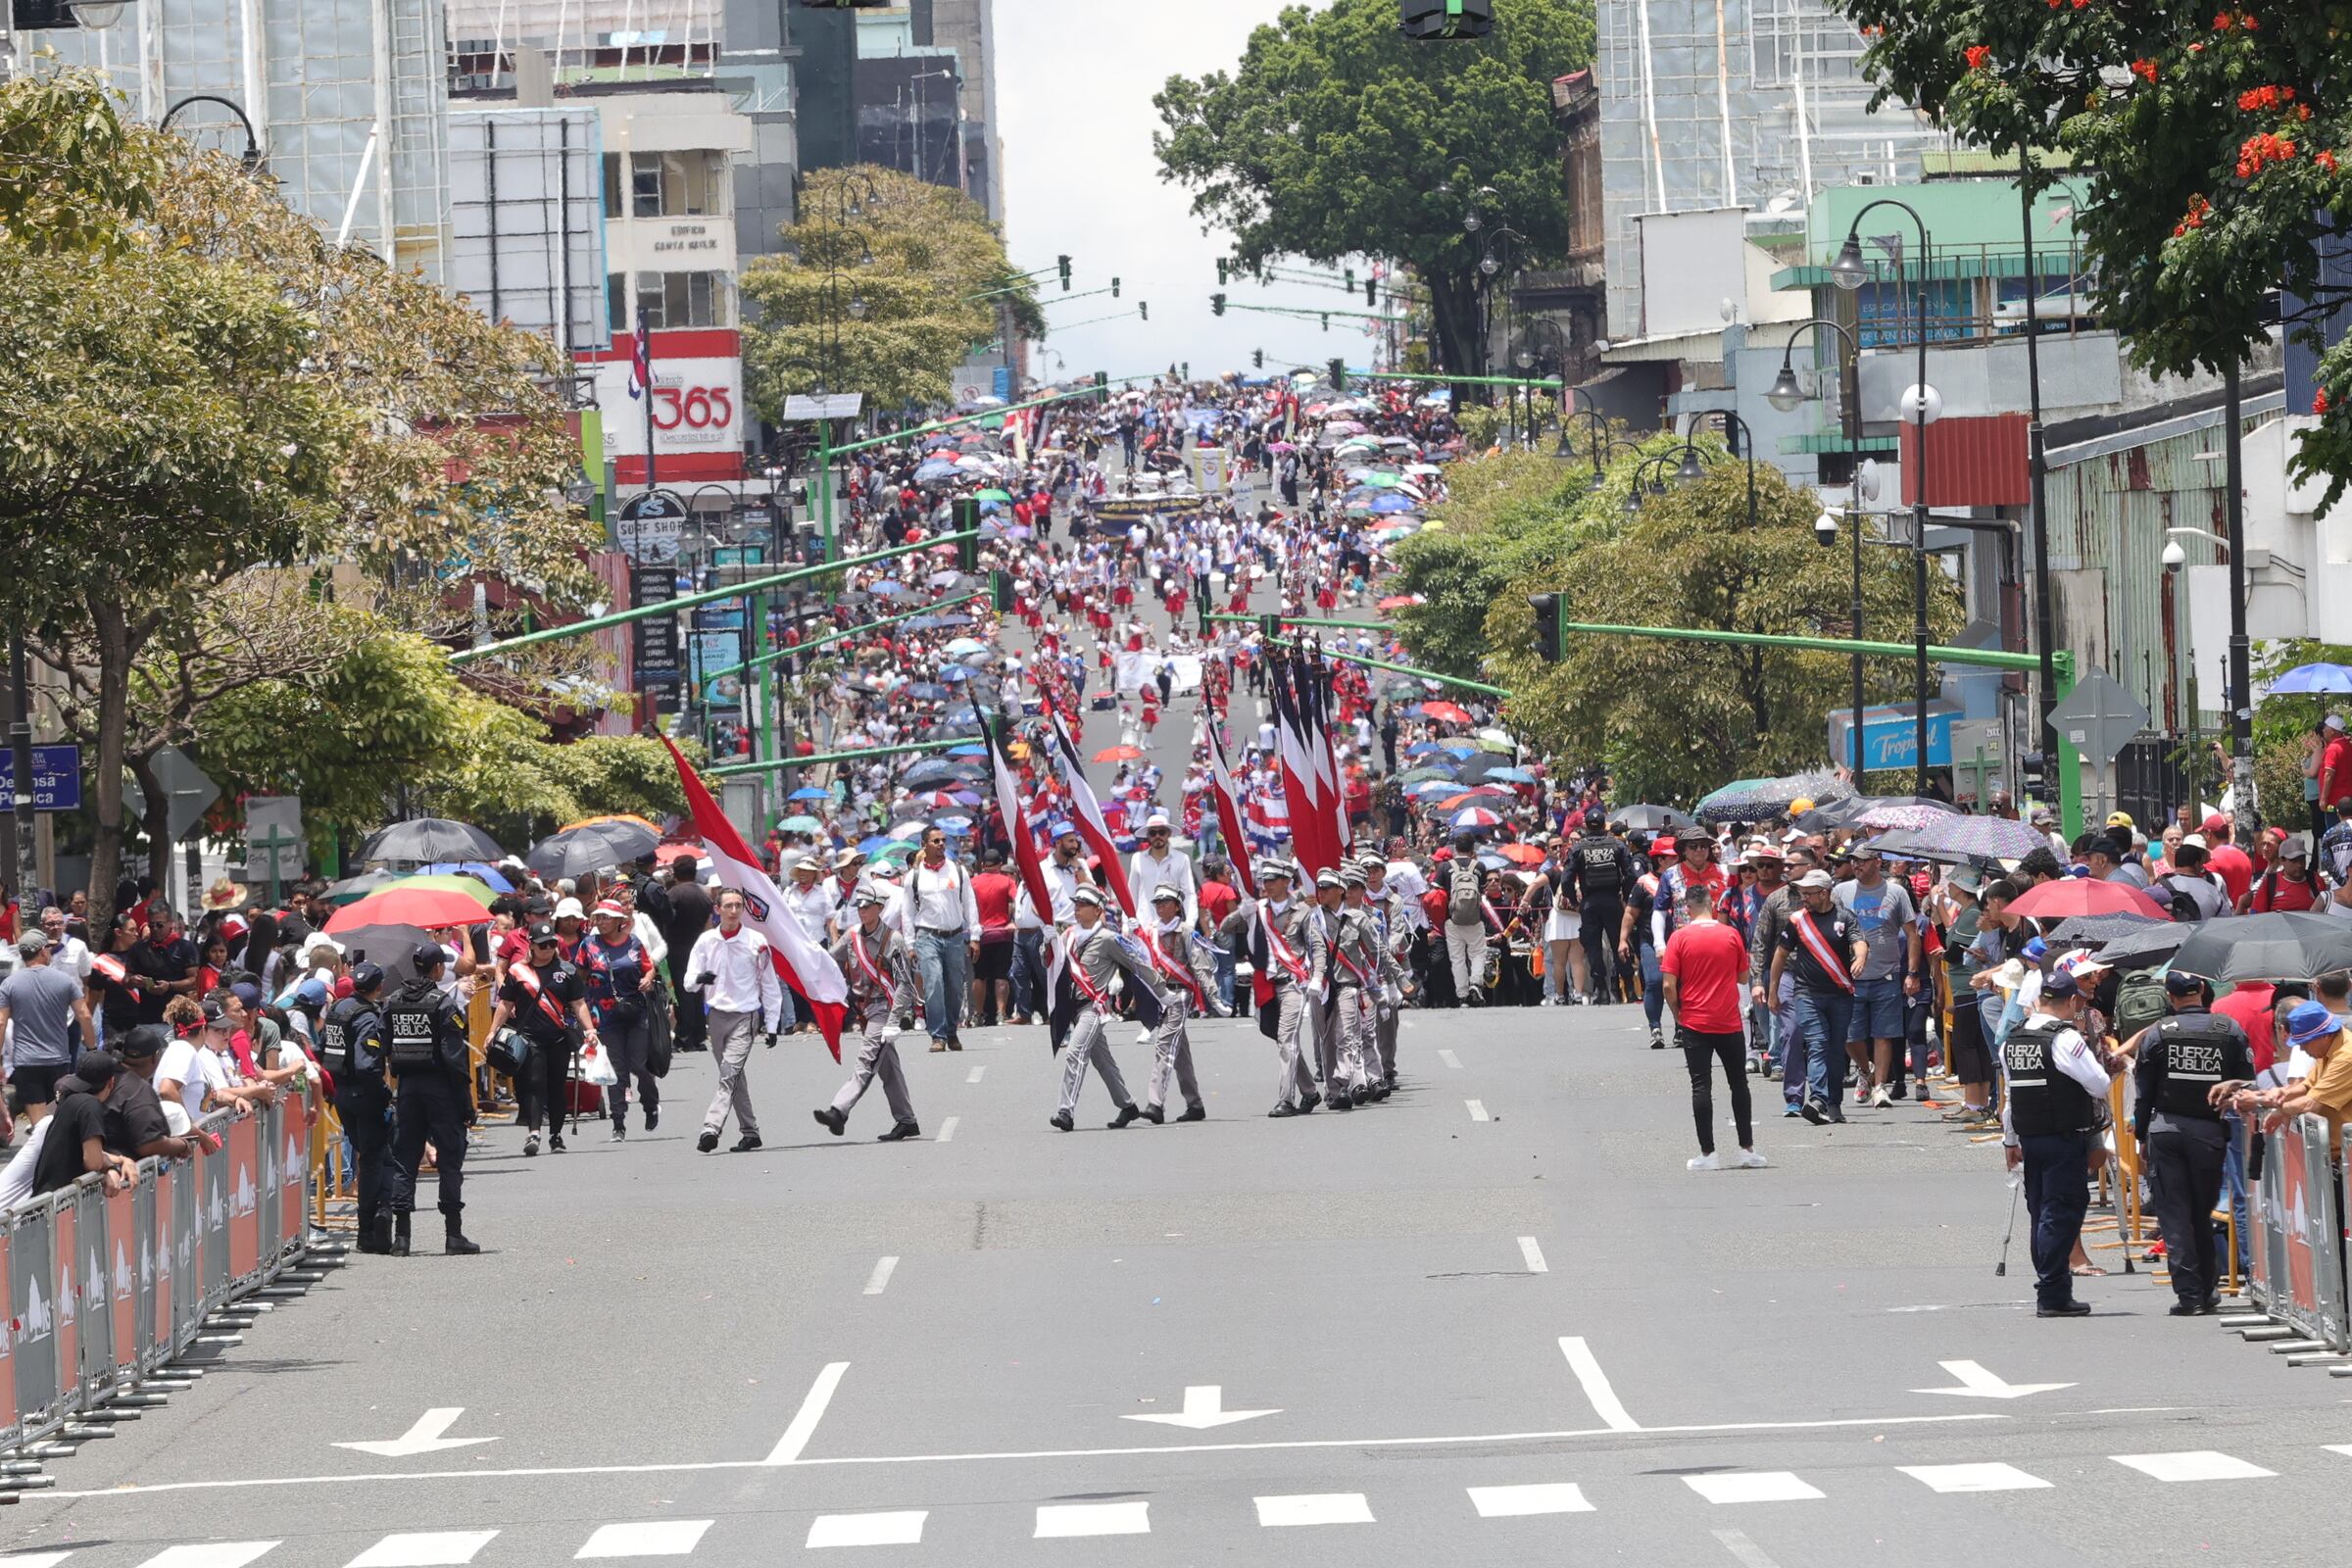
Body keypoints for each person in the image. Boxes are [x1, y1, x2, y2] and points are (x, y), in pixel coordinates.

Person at [2124, 973, 2252, 1315]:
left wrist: (2141, 1137)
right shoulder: (2229, 1030)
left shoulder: (2158, 1033)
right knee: (2201, 1212)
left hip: (2166, 1130)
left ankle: (2191, 1295)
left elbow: (2144, 1092)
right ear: (2202, 991)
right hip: (2209, 1133)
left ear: (2170, 995)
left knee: (2174, 1215)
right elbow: (2247, 1080)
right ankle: (2206, 1289)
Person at [2000, 969, 2123, 1317]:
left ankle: (2052, 1288)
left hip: (2029, 1138)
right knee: (2061, 1211)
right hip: (2063, 1137)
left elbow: (2010, 1096)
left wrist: (2009, 1141)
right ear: (2070, 1001)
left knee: (2041, 1212)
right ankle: (2052, 1293)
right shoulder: (2065, 1038)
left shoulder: (2014, 1038)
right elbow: (2099, 1084)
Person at [383, 944, 480, 1256]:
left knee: (405, 1162)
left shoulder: (392, 1002)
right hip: (441, 1091)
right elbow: (455, 1059)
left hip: (407, 1089)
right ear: (438, 968)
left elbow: (383, 1045)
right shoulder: (443, 1004)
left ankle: (401, 1239)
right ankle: (454, 1235)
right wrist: (466, 1102)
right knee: (450, 1161)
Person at [1661, 883, 1765, 1171]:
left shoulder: (1679, 938)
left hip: (1695, 1020)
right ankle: (1747, 1150)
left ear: (1688, 908)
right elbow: (1743, 977)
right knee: (1738, 1083)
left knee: (1701, 1085)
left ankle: (1708, 1154)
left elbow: (1668, 985)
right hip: (1728, 1020)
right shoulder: (1730, 935)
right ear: (1712, 905)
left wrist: (1677, 1013)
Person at [816, 887, 921, 1142]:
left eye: (867, 907)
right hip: (863, 1009)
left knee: (866, 1060)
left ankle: (838, 1111)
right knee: (888, 1067)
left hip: (884, 1009)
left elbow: (905, 985)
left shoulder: (893, 939)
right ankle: (906, 1121)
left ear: (879, 908)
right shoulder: (852, 936)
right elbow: (829, 960)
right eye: (859, 907)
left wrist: (894, 1021)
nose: (862, 912)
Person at [1048, 886, 1155, 1132]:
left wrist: (1162, 993)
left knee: (1075, 1053)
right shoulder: (1069, 935)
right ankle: (1128, 1105)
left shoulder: (1108, 938)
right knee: (1103, 1061)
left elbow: (1138, 963)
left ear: (1097, 910)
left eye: (1083, 904)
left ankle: (1065, 1111)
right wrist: (1047, 941)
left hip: (1094, 1007)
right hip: (1075, 1007)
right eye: (1076, 903)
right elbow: (1054, 964)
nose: (1077, 908)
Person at [688, 890, 785, 1153]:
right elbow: (688, 981)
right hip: (717, 1016)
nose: (733, 911)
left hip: (746, 1016)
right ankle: (751, 1133)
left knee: (729, 1074)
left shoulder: (756, 941)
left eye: (738, 906)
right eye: (728, 906)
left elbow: (769, 983)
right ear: (717, 909)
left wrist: (772, 1024)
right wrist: (700, 979)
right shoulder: (706, 941)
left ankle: (711, 1128)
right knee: (732, 1075)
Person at [488, 921, 595, 1155]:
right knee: (535, 1083)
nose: (547, 949)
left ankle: (556, 1135)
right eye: (542, 945)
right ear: (532, 946)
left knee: (557, 1086)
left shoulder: (567, 970)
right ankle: (534, 1132)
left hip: (559, 1038)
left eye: (551, 944)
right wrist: (492, 1031)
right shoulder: (517, 971)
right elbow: (505, 1003)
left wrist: (590, 1030)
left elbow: (579, 1004)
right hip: (530, 1038)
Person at [1769, 870, 1867, 1126]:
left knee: (1836, 1049)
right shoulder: (1797, 921)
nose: (1804, 898)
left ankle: (1834, 1103)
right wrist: (1773, 990)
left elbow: (1859, 942)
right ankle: (1818, 1099)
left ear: (1824, 894)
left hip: (1841, 995)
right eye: (1802, 893)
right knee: (1817, 1043)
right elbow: (1780, 955)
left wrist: (1860, 958)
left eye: (1808, 893)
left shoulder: (1845, 917)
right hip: (1807, 994)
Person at [1833, 846, 1921, 1107]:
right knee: (1850, 1035)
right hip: (1850, 977)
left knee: (1884, 1034)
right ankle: (1865, 1069)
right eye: (1853, 860)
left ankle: (1880, 1087)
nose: (1856, 865)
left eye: (1862, 860)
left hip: (1887, 974)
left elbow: (1913, 934)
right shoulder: (1840, 891)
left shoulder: (1896, 892)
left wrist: (1912, 973)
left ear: (1877, 862)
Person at [318, 963, 396, 1250]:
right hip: (365, 1095)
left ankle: (378, 1217)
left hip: (342, 1095)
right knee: (375, 1160)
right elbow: (366, 1065)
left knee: (375, 1157)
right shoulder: (367, 1016)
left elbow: (323, 1049)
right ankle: (369, 1229)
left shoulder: (338, 1009)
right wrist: (384, 1092)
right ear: (379, 987)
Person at [579, 901, 660, 1141]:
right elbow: (579, 975)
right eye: (598, 917)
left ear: (618, 921)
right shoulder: (589, 945)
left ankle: (650, 1104)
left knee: (638, 1065)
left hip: (636, 1011)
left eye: (607, 917)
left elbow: (649, 967)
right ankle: (618, 1122)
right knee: (616, 1069)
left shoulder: (634, 943)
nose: (602, 921)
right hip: (605, 1015)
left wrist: (648, 978)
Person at [1134, 884, 1213, 1123]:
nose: (1160, 906)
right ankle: (1195, 1103)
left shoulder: (1187, 932)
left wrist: (1214, 996)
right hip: (1159, 995)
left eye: (1165, 902)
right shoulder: (1150, 931)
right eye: (1157, 902)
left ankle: (1155, 1103)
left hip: (1180, 994)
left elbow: (1200, 966)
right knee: (1180, 1052)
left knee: (1165, 1044)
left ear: (1177, 906)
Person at [0, 931, 93, 1124]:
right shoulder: (65, 980)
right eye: (48, 948)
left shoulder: (9, 984)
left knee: (39, 1125)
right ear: (42, 951)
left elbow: (1, 1022)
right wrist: (92, 1049)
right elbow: (84, 1014)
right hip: (57, 1060)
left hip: (26, 1062)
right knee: (57, 1120)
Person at [905, 827, 981, 1053]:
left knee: (955, 987)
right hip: (927, 936)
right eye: (935, 841)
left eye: (943, 840)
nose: (940, 844)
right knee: (934, 984)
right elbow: (907, 912)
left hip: (955, 936)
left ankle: (951, 1031)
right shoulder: (914, 876)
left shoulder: (957, 871)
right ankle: (937, 1035)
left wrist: (975, 935)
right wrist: (910, 944)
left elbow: (969, 903)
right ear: (924, 845)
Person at [29, 1054, 133, 1199]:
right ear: (111, 1082)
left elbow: (92, 1152)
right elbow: (93, 1162)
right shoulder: (90, 1106)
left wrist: (121, 1160)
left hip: (47, 1199)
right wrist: (112, 1169)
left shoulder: (69, 1098)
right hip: (62, 1203)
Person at [1567, 812, 1635, 1005]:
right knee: (1619, 943)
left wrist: (1574, 902)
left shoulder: (1578, 848)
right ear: (1604, 825)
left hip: (1590, 903)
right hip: (1613, 901)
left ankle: (1602, 991)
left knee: (1593, 947)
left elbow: (1567, 878)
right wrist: (1626, 896)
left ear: (1586, 826)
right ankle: (1629, 989)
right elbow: (1630, 874)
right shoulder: (1617, 845)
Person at [1442, 836, 1488, 1007]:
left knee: (1457, 958)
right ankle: (1475, 983)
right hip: (1475, 919)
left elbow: (1439, 895)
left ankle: (1462, 996)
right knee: (1478, 953)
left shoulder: (1445, 867)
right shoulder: (1479, 867)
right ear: (1472, 849)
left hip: (1452, 919)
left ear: (1455, 848)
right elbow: (1482, 892)